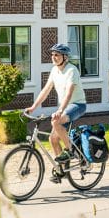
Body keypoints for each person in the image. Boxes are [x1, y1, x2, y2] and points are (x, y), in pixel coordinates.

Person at [25, 42, 88, 182]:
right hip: (65, 107)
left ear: (65, 57)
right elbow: (46, 90)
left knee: (56, 121)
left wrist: (60, 110)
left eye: (57, 55)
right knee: (52, 139)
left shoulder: (72, 70)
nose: (53, 57)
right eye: (52, 55)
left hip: (77, 105)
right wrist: (33, 107)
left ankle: (70, 150)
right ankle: (62, 170)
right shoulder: (54, 70)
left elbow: (69, 93)